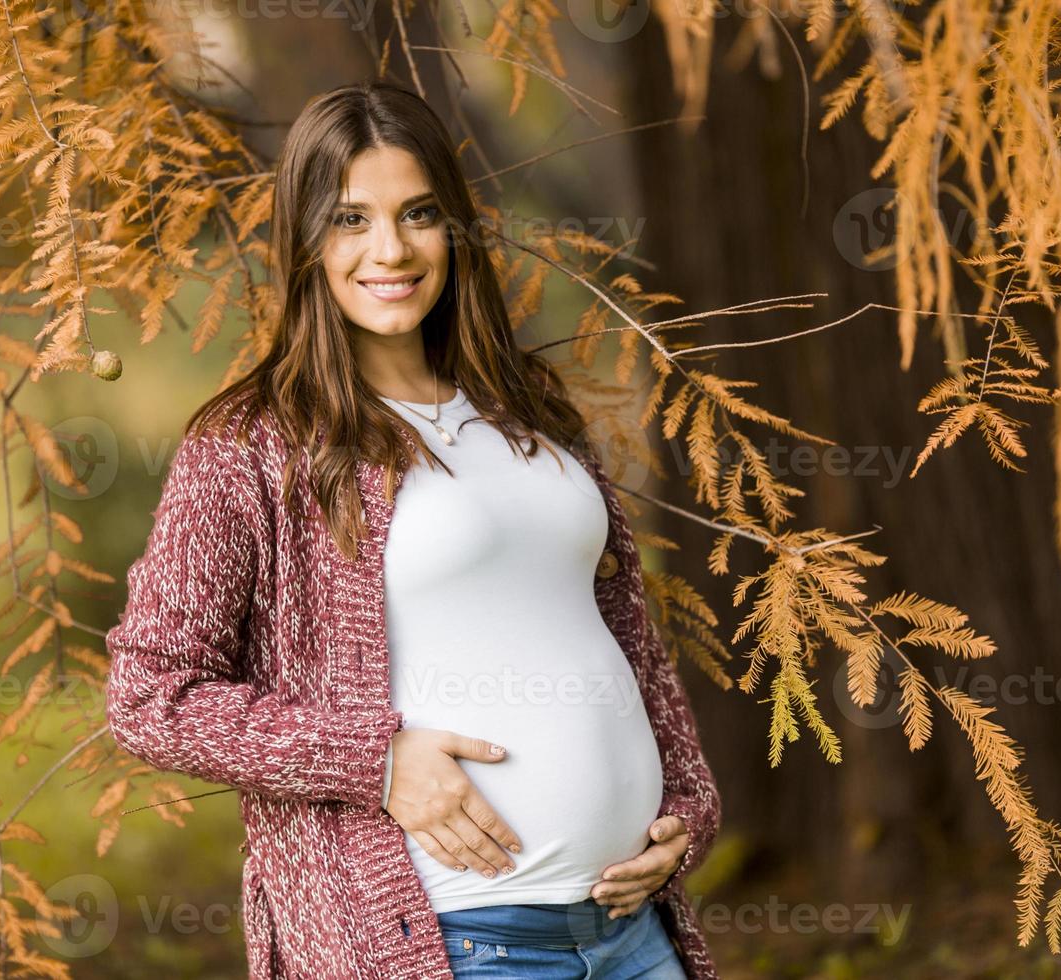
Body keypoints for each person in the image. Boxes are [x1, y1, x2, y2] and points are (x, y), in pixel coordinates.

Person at [104, 78, 721, 979]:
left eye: (417, 214)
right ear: (306, 240)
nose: (389, 249)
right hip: (458, 942)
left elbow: (625, 636)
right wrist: (377, 761)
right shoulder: (249, 445)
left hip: (633, 934)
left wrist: (687, 808)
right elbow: (150, 696)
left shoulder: (527, 408)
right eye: (351, 219)